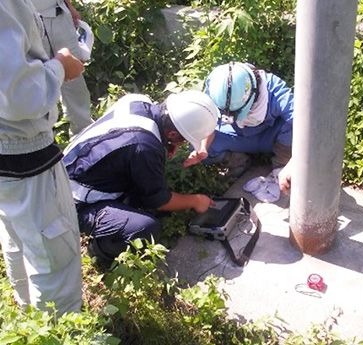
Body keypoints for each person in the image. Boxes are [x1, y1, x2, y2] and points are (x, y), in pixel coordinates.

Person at [62, 91, 219, 262]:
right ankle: (99, 252)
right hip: (72, 202)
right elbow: (160, 201)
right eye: (183, 141)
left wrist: (164, 144)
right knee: (143, 228)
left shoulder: (138, 101)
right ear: (172, 134)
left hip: (67, 169)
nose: (182, 145)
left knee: (143, 183)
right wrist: (196, 201)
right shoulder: (145, 148)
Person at [0, 0, 85, 315]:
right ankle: (58, 330)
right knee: (53, 253)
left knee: (16, 234)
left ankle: (28, 317)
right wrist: (61, 66)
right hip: (22, 144)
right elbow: (21, 95)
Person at [182, 62, 294, 178]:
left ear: (254, 94)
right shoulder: (214, 84)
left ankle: (281, 166)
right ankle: (238, 160)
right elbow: (209, 121)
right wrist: (203, 148)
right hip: (236, 135)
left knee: (292, 126)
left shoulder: (275, 90)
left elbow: (307, 126)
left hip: (271, 136)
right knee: (196, 146)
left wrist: (293, 163)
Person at [34, 0, 93, 136]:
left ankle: (84, 136)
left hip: (59, 14)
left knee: (75, 81)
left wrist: (69, 6)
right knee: (38, 84)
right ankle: (44, 140)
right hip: (30, 22)